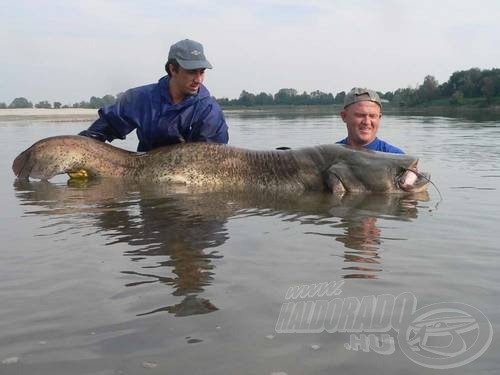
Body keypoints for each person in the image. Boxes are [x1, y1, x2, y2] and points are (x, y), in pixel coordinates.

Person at [79, 39, 228, 152]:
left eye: (201, 71)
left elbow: (211, 158)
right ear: (172, 69)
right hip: (144, 176)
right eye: (191, 71)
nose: (198, 79)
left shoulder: (209, 111)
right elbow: (100, 131)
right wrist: (81, 153)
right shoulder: (140, 98)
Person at [337, 87, 403, 154]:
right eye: (360, 115)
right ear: (344, 116)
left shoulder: (397, 156)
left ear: (379, 118)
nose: (367, 122)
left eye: (372, 116)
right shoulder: (329, 155)